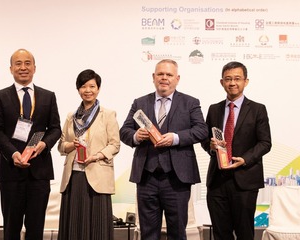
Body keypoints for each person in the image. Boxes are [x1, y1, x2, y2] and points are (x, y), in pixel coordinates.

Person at [120, 59, 208, 240]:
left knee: (177, 232)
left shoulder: (190, 102)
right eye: (160, 74)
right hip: (146, 177)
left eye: (169, 75)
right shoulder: (140, 103)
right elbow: (124, 131)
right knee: (148, 233)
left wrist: (175, 138)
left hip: (177, 179)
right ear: (153, 77)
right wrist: (137, 136)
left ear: (177, 78)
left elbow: (201, 130)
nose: (164, 78)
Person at [0, 48, 61, 240]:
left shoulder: (48, 96)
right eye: (18, 64)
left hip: (39, 173)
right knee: (11, 228)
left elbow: (56, 129)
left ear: (34, 68)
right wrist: (13, 154)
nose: (23, 68)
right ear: (11, 68)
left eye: (27, 63)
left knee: (36, 228)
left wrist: (44, 144)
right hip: (10, 171)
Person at [201, 61, 272, 240]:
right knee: (220, 233)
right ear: (222, 82)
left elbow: (265, 142)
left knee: (244, 233)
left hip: (245, 181)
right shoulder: (214, 109)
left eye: (237, 78)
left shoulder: (258, 109)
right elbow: (204, 139)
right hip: (217, 180)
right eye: (228, 79)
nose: (232, 83)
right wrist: (210, 147)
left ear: (246, 81)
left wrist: (245, 159)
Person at [57, 69, 121, 240]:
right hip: (74, 176)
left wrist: (97, 156)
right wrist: (71, 145)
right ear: (78, 89)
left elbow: (115, 145)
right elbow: (61, 146)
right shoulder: (71, 117)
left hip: (97, 176)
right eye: (84, 86)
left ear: (98, 89)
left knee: (97, 226)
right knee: (73, 225)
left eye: (92, 86)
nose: (88, 90)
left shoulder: (107, 115)